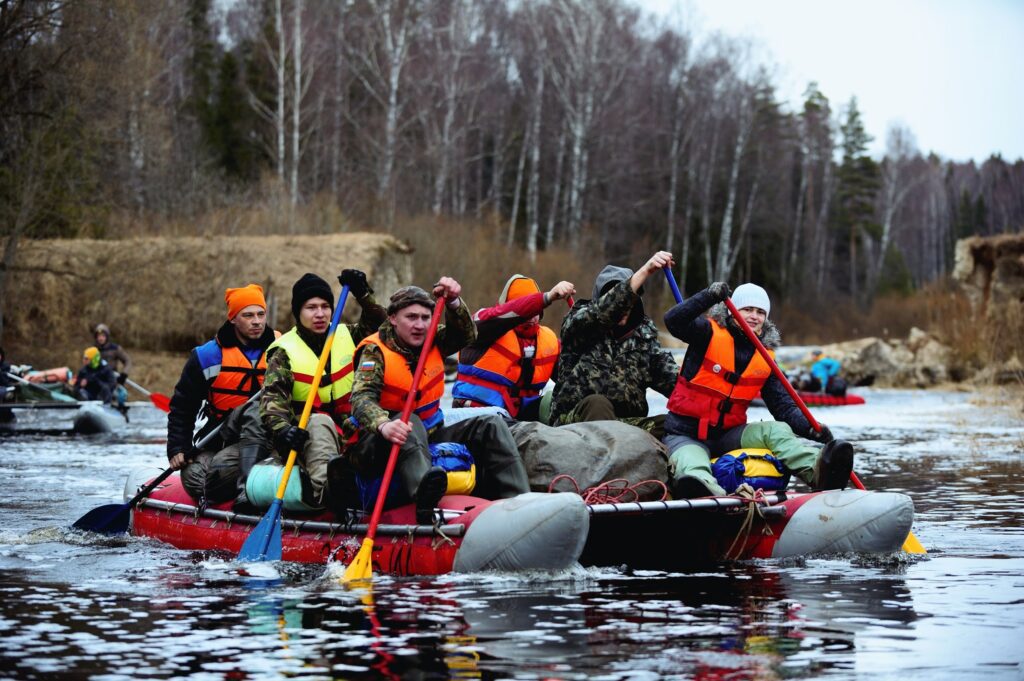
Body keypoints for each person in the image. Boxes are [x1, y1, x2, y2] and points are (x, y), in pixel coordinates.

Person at [346, 279, 530, 523]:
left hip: (430, 433)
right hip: (378, 443)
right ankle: (424, 498)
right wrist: (383, 424)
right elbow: (360, 398)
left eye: (425, 317)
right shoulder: (375, 351)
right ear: (392, 318)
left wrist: (454, 301)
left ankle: (521, 502)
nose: (420, 325)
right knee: (407, 420)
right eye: (411, 317)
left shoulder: (434, 338)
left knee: (490, 425)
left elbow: (467, 334)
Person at [661, 281, 854, 499]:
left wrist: (811, 428)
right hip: (685, 434)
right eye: (747, 309)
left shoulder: (765, 358)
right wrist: (709, 295)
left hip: (728, 436)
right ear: (732, 310)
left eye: (760, 312)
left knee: (776, 429)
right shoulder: (705, 333)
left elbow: (784, 407)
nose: (754, 316)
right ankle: (710, 494)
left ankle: (818, 471)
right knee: (691, 464)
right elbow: (673, 320)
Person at [260, 270, 387, 511]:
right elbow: (271, 405)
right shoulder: (283, 352)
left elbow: (381, 324)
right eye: (311, 307)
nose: (320, 314)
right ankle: (325, 493)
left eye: (325, 306)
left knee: (381, 422)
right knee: (319, 422)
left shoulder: (347, 334)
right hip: (305, 435)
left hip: (350, 429)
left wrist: (362, 294)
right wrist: (284, 430)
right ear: (298, 312)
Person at [167, 284, 278, 509]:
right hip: (225, 433)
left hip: (273, 430)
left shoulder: (283, 348)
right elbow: (183, 405)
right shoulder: (208, 356)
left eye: (261, 314)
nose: (256, 321)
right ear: (233, 319)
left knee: (255, 410)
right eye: (248, 315)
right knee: (194, 478)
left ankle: (249, 489)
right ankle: (240, 483)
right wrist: (178, 447)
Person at [548, 251, 679, 437]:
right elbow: (604, 310)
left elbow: (675, 384)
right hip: (575, 422)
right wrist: (645, 272)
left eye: (629, 301)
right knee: (597, 404)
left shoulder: (645, 339)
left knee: (674, 424)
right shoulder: (578, 323)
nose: (623, 306)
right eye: (614, 297)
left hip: (625, 425)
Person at [451, 275, 575, 421]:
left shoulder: (550, 342)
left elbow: (573, 380)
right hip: (480, 420)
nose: (530, 315)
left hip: (525, 422)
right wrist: (547, 298)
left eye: (534, 309)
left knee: (556, 404)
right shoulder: (482, 327)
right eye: (526, 307)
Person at [93, 323, 131, 413]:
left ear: (107, 337)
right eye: (98, 336)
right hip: (97, 381)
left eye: (103, 336)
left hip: (113, 380)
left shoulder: (115, 349)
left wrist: (124, 374)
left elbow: (128, 361)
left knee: (121, 395)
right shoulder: (93, 350)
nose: (101, 338)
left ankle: (121, 411)